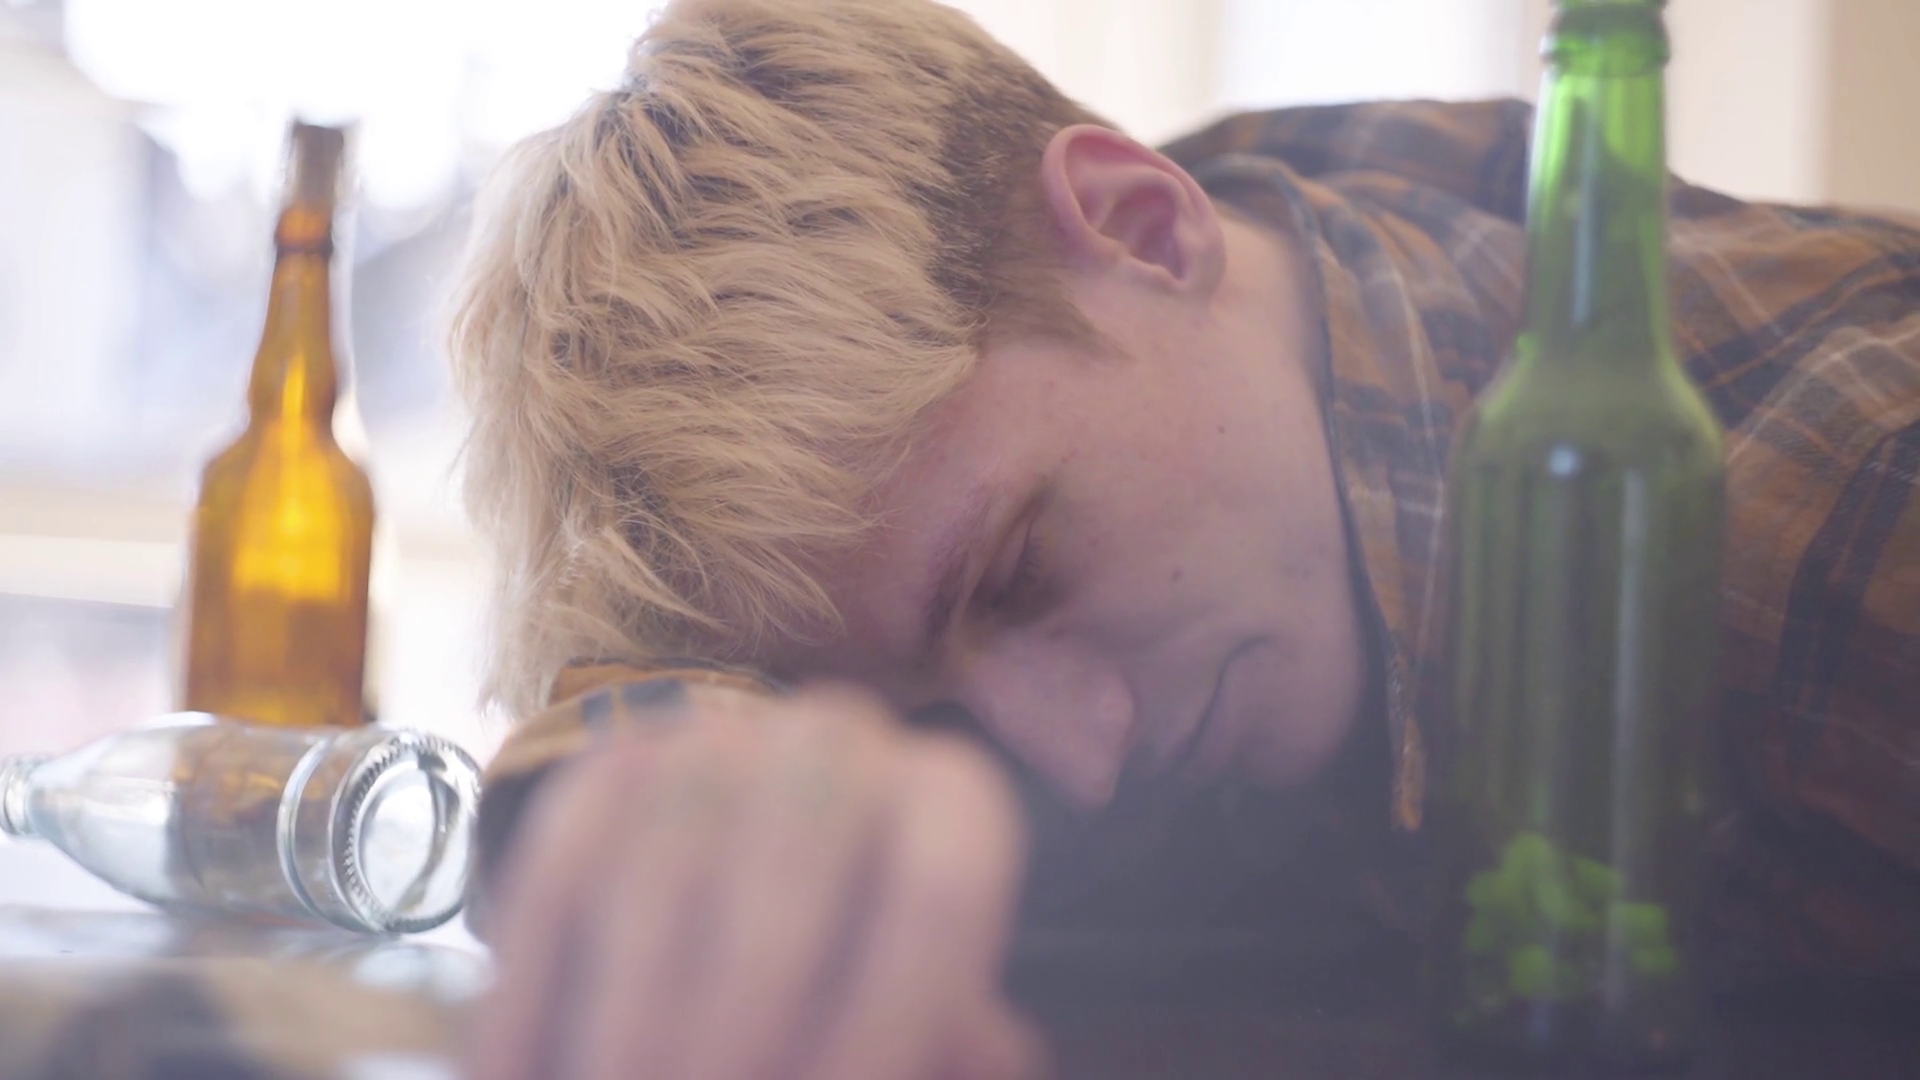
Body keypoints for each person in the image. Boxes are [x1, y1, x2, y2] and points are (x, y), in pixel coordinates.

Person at [444, 0, 1920, 1076]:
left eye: (1021, 572)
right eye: (930, 712)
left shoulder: (1842, 516)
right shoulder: (1196, 265)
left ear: (1146, 225)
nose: (1080, 759)